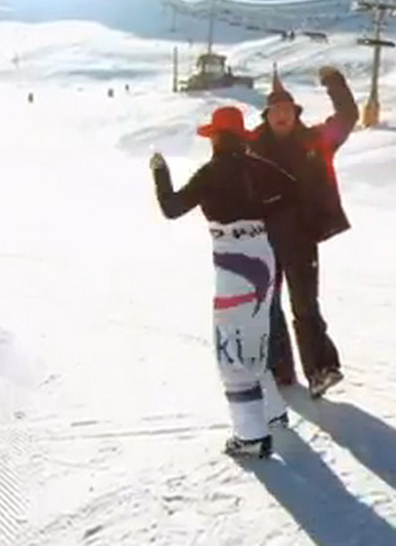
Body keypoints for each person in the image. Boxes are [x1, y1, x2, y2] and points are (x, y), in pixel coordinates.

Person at [151, 106, 298, 458]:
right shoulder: (257, 166)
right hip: (263, 255)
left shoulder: (212, 171)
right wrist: (264, 208)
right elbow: (292, 190)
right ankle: (273, 412)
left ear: (216, 137)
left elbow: (172, 208)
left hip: (234, 261)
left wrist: (160, 174)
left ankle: (250, 435)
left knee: (231, 344)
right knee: (256, 335)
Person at [250, 66, 358, 399]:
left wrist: (334, 83)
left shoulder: (314, 141)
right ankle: (279, 370)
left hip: (301, 233)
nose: (281, 116)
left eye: (287, 111)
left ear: (295, 114)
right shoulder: (251, 147)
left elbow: (348, 117)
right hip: (262, 234)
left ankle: (321, 369)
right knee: (267, 303)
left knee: (305, 304)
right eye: (275, 111)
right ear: (267, 116)